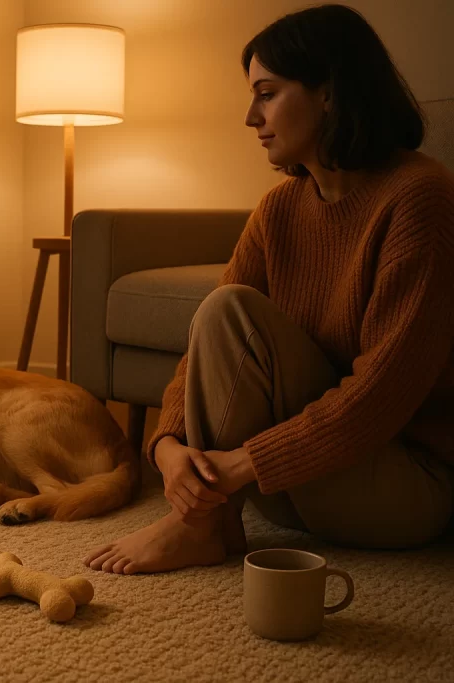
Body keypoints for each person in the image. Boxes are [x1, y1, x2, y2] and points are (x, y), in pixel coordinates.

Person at [84, 3, 454, 575]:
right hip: (295, 486)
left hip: (407, 488)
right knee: (226, 307)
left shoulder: (420, 197)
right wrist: (168, 446)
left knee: (230, 308)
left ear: (329, 92)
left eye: (267, 92)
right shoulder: (281, 207)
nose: (250, 116)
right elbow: (205, 344)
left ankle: (198, 522)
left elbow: (381, 398)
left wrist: (236, 467)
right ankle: (209, 520)